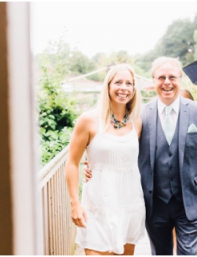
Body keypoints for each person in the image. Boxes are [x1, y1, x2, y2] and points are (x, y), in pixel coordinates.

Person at [85, 57, 197, 255]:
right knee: (160, 252)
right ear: (153, 81)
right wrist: (91, 165)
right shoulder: (139, 115)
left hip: (190, 200)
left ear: (180, 79)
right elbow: (120, 146)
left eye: (172, 77)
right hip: (154, 202)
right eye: (161, 77)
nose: (167, 82)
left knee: (188, 253)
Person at [67, 64, 145, 255]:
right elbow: (71, 163)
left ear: (134, 90)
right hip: (97, 205)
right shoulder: (88, 120)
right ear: (108, 86)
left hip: (129, 203)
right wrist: (75, 204)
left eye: (129, 83)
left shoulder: (137, 122)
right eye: (118, 82)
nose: (124, 88)